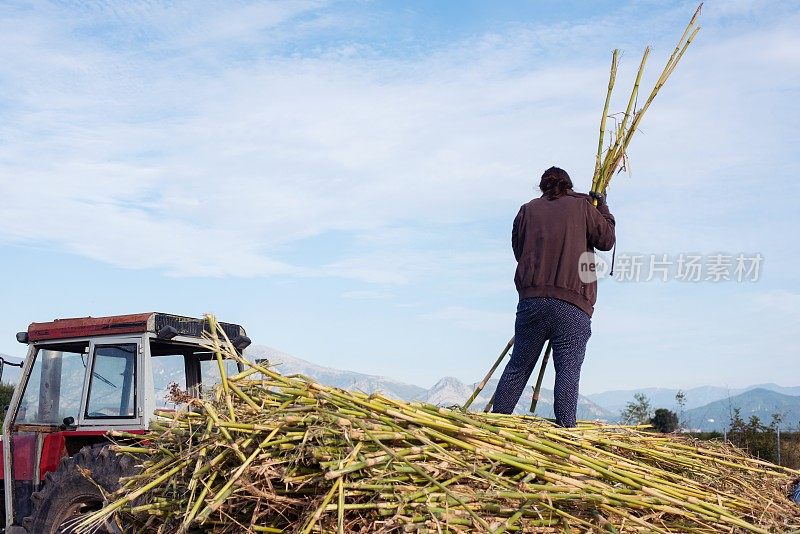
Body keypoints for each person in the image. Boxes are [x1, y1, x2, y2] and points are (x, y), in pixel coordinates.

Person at [492, 166, 615, 427]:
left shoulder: (527, 210)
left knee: (518, 367)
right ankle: (567, 432)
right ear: (569, 186)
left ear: (542, 188)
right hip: (573, 303)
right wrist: (603, 207)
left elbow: (519, 251)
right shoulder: (584, 207)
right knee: (568, 371)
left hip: (532, 300)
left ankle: (495, 426)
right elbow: (606, 240)